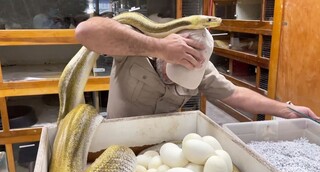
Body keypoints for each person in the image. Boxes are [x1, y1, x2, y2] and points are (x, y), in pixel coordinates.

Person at [74, 15, 319, 120]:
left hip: (164, 141)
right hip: (119, 136)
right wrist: (158, 47)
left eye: (189, 71)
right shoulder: (135, 46)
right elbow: (85, 32)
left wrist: (287, 110)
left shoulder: (200, 67)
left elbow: (235, 94)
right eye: (177, 68)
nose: (174, 81)